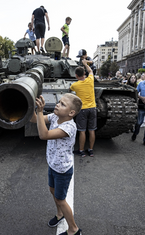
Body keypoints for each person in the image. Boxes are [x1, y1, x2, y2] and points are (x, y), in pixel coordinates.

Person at [30, 93, 82, 235]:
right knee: (52, 191)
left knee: (60, 198)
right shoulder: (55, 117)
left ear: (71, 113)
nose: (58, 104)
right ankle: (60, 215)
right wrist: (27, 108)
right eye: (59, 102)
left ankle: (73, 229)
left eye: (63, 104)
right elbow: (35, 119)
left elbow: (44, 135)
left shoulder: (69, 127)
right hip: (53, 164)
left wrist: (40, 111)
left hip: (62, 170)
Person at [69, 59, 96, 157]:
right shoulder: (90, 80)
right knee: (92, 130)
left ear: (76, 75)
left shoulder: (75, 85)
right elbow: (91, 71)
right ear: (84, 73)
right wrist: (85, 64)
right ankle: (91, 150)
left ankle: (81, 151)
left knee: (82, 131)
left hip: (82, 109)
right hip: (93, 108)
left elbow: (69, 90)